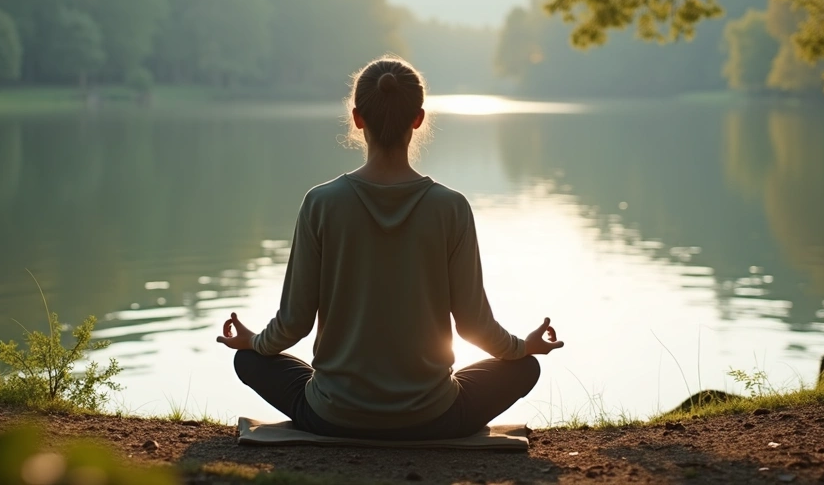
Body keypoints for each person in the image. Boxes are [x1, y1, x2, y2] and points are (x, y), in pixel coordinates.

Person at [215, 56, 563, 440]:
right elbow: (473, 325)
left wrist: (254, 342)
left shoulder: (321, 203)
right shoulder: (451, 207)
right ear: (418, 118)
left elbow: (294, 322)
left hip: (333, 416)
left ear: (357, 117)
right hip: (433, 418)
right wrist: (520, 347)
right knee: (524, 368)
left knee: (249, 361)